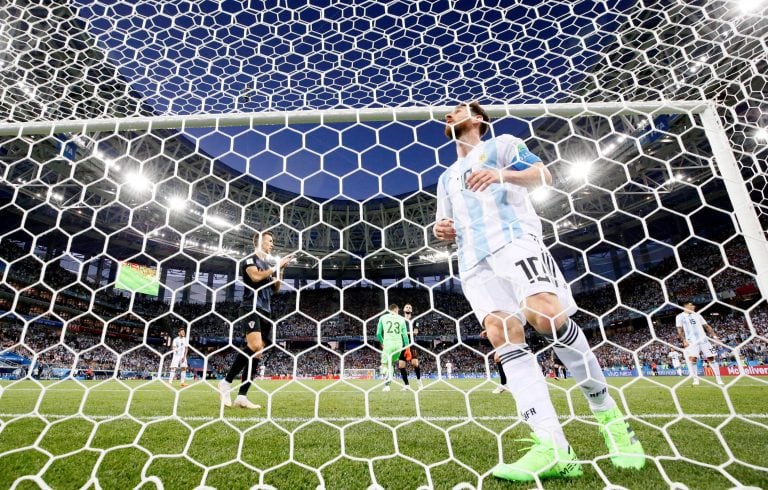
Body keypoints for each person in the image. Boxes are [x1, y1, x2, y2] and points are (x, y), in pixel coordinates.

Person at [433, 101, 645, 482]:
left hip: (515, 240)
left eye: (459, 109)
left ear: (478, 118)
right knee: (501, 334)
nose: (449, 114)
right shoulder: (446, 177)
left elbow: (542, 176)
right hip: (473, 261)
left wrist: (501, 176)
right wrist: (443, 233)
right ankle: (553, 447)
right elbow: (444, 226)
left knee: (546, 315)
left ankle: (610, 419)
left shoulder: (503, 145)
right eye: (448, 112)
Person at [218, 230, 294, 408]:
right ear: (259, 241)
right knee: (254, 346)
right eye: (269, 240)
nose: (272, 244)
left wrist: (280, 270)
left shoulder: (267, 263)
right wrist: (276, 266)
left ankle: (242, 396)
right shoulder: (250, 259)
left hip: (266, 310)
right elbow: (255, 276)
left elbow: (275, 288)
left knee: (258, 352)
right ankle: (226, 382)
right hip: (250, 306)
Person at [676, 301, 724, 386]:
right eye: (691, 305)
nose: (693, 306)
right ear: (685, 306)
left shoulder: (697, 315)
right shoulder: (680, 317)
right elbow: (679, 330)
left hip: (704, 340)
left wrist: (715, 337)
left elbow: (706, 326)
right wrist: (684, 340)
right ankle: (696, 380)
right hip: (691, 341)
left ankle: (719, 379)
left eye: (693, 305)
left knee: (711, 358)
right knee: (693, 359)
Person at [377, 303, 410, 391]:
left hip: (388, 344)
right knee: (391, 364)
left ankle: (387, 385)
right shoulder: (401, 319)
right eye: (398, 310)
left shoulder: (383, 317)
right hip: (399, 345)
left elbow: (378, 334)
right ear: (395, 309)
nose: (398, 311)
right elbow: (405, 336)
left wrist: (382, 342)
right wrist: (407, 348)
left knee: (385, 365)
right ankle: (389, 380)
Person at [397, 303, 424, 390]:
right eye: (406, 307)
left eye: (410, 307)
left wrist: (404, 333)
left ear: (411, 310)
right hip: (402, 345)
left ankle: (419, 382)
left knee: (414, 363)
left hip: (411, 343)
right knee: (401, 365)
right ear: (404, 310)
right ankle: (406, 385)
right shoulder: (400, 320)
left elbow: (415, 332)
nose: (408, 308)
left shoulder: (415, 320)